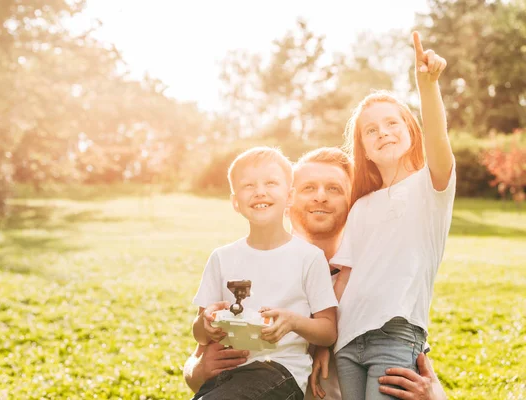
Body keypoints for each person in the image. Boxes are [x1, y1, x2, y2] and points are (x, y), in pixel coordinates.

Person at [185, 147, 448, 400]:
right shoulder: (244, 260)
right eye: (309, 187)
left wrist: (435, 395)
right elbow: (199, 359)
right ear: (292, 196)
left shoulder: (373, 280)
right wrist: (197, 370)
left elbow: (407, 355)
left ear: (353, 200)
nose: (320, 196)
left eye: (334, 188)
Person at [327, 32, 456, 400]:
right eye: (371, 130)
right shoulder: (361, 206)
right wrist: (324, 344)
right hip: (347, 342)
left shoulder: (431, 188)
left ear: (411, 132)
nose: (383, 132)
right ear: (364, 149)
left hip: (396, 334)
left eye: (392, 123)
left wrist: (427, 87)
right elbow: (343, 281)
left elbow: (439, 137)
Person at [190, 146, 338, 399]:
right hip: (228, 373)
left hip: (280, 372)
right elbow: (199, 334)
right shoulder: (221, 258)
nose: (260, 191)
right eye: (248, 186)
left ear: (289, 197)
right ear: (235, 202)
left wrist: (293, 322)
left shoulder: (309, 258)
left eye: (271, 183)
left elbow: (328, 331)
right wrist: (207, 324)